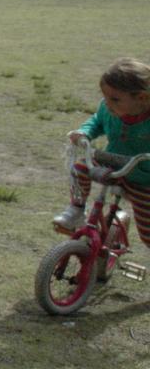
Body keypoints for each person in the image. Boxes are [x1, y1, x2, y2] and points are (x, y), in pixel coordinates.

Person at [52, 57, 150, 245]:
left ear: (142, 98)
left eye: (114, 99)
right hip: (112, 163)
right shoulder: (108, 108)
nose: (107, 103)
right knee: (80, 168)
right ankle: (76, 209)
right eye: (104, 97)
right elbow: (97, 121)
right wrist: (84, 132)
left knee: (147, 235)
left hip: (144, 178)